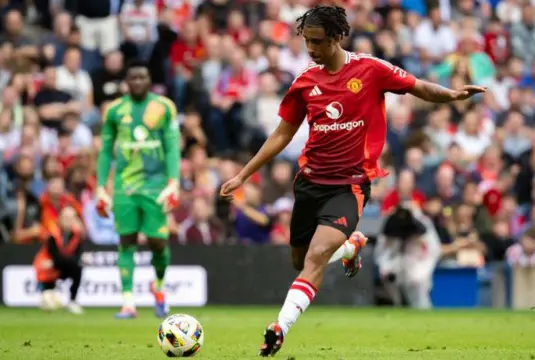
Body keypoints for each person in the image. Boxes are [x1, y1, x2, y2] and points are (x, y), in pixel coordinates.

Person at [218, 5, 487, 357]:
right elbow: (283, 133)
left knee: (315, 257)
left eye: (317, 42)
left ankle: (279, 328)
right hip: (310, 183)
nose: (311, 49)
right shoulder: (305, 82)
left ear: (336, 37)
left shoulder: (370, 69)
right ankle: (350, 247)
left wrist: (451, 96)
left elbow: (416, 86)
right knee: (300, 262)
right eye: (306, 42)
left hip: (349, 186)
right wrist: (243, 174)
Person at [95, 61, 180, 319]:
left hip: (155, 185)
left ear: (149, 80)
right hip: (125, 185)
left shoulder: (164, 107)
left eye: (142, 77)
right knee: (126, 240)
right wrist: (101, 186)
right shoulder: (114, 110)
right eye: (133, 78)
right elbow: (105, 151)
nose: (138, 82)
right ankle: (128, 302)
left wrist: (174, 181)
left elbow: (172, 146)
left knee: (158, 243)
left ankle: (159, 286)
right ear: (126, 82)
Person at [33, 205, 85, 314]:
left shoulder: (77, 235)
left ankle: (72, 301)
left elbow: (77, 257)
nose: (68, 221)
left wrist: (54, 263)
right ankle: (47, 296)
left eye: (71, 218)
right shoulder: (52, 234)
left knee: (78, 268)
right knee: (48, 294)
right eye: (65, 218)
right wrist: (56, 262)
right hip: (47, 269)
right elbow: (54, 255)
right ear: (60, 218)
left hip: (58, 265)